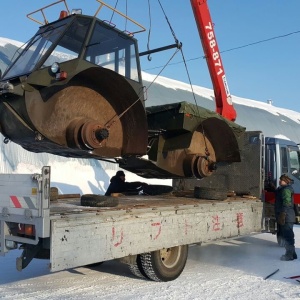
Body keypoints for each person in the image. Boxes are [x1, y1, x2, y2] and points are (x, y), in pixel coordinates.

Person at [274, 174, 297, 261]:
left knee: (288, 236)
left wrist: (283, 214)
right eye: (280, 179)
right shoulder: (283, 189)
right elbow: (278, 193)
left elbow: (287, 203)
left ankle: (289, 255)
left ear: (286, 181)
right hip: (287, 215)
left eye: (282, 180)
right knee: (288, 235)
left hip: (286, 216)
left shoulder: (286, 190)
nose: (280, 181)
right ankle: (293, 254)